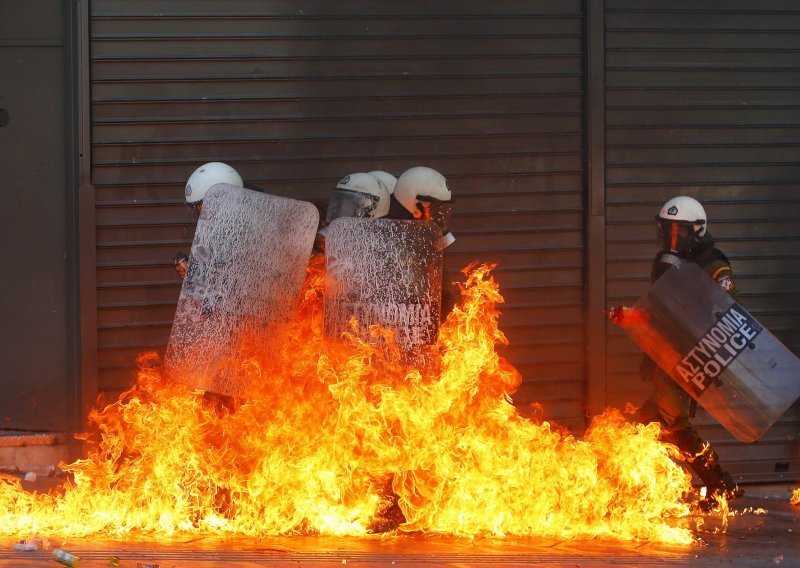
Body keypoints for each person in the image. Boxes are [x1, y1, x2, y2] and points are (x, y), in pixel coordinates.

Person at [638, 195, 742, 508]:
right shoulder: (670, 262)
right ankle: (660, 486)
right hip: (669, 354)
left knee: (671, 424)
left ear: (696, 230)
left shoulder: (713, 264)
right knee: (649, 421)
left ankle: (718, 482)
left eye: (678, 231)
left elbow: (729, 311)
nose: (671, 238)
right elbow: (662, 310)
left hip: (695, 355)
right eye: (666, 230)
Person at [175, 162, 244, 279]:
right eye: (198, 208)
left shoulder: (249, 229)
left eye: (204, 206)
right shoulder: (217, 230)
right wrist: (192, 271)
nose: (203, 213)